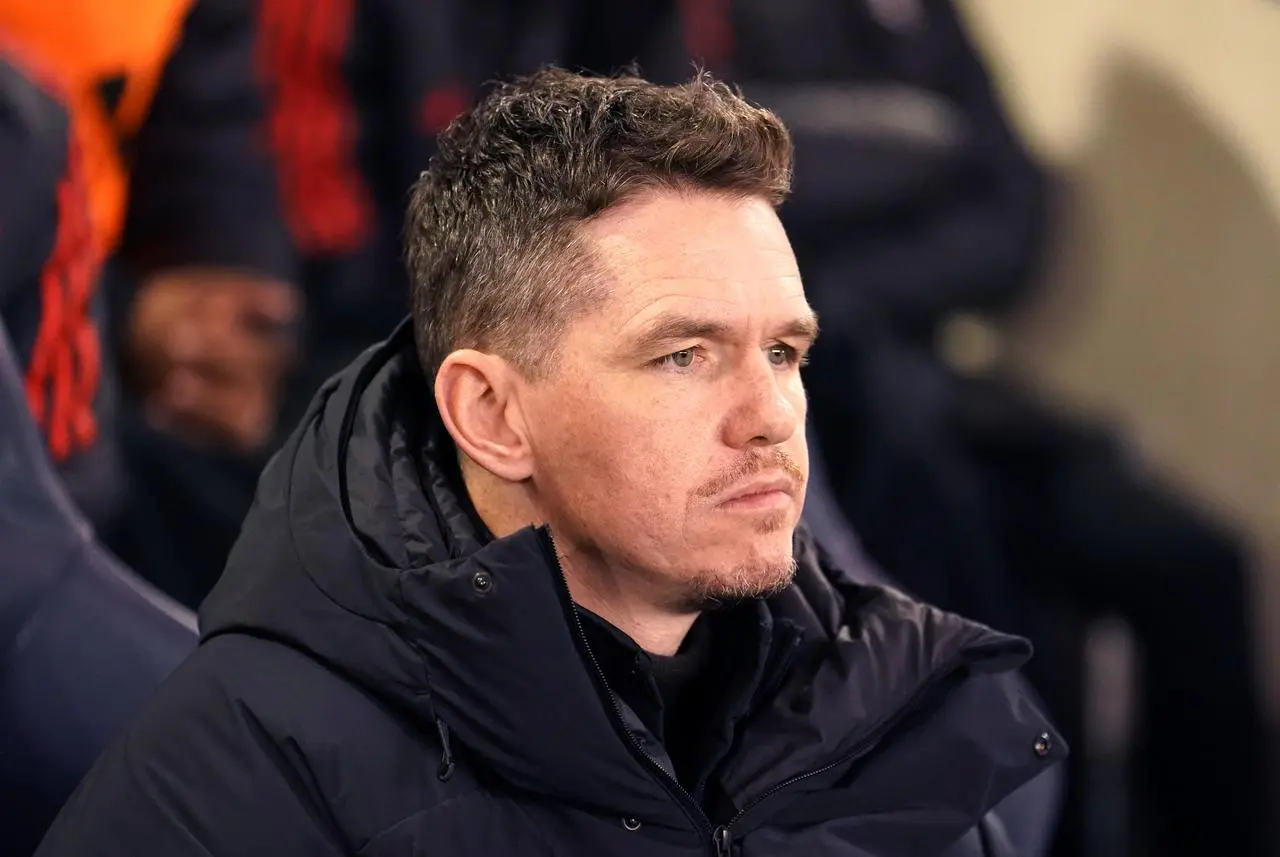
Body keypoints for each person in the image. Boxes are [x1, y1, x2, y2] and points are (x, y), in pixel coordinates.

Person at [37, 69, 1064, 857]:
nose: (768, 418)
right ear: (490, 413)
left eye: (783, 352)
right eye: (683, 355)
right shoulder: (241, 771)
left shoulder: (886, 721)